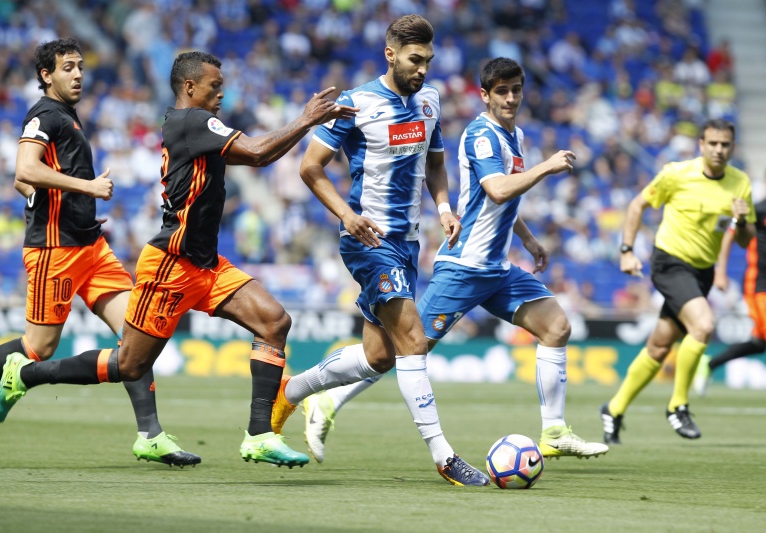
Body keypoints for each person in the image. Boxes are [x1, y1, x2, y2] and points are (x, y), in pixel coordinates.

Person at [0, 50, 357, 468]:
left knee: (274, 322)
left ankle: (260, 435)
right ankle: (26, 374)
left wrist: (304, 125)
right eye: (214, 86)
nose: (222, 93)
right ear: (190, 86)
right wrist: (306, 119)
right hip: (171, 266)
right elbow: (257, 152)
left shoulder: (195, 128)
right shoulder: (192, 122)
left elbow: (262, 156)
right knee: (130, 365)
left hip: (206, 264)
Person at [300, 57, 609, 466]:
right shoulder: (482, 135)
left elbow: (497, 202)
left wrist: (528, 238)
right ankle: (327, 400)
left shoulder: (514, 136)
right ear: (485, 95)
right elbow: (498, 190)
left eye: (516, 90)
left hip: (497, 268)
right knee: (403, 349)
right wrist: (546, 167)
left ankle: (553, 432)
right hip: (464, 267)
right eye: (501, 91)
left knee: (557, 327)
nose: (510, 98)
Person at [0, 38, 199, 467]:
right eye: (67, 67)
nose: (77, 75)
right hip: (55, 250)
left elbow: (25, 183)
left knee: (136, 335)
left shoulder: (68, 117)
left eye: (80, 67)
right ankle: (10, 377)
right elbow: (24, 169)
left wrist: (70, 204)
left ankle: (151, 435)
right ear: (46, 75)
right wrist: (87, 188)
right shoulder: (44, 114)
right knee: (38, 348)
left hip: (91, 246)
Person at [269, 15, 479, 487]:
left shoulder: (430, 100)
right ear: (390, 54)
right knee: (413, 341)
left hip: (408, 243)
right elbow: (310, 167)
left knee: (378, 356)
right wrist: (346, 214)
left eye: (428, 60)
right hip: (368, 241)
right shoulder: (355, 103)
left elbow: (436, 162)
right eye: (414, 59)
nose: (422, 69)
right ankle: (444, 456)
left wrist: (445, 207)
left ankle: (293, 390)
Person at [600, 118, 754, 444]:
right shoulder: (676, 174)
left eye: (725, 144)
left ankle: (613, 409)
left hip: (702, 272)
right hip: (670, 262)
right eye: (713, 143)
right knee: (704, 325)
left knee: (659, 346)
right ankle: (678, 405)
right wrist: (627, 251)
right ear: (701, 144)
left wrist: (741, 222)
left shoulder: (740, 183)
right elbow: (637, 205)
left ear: (732, 147)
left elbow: (745, 239)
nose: (719, 149)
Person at [693, 199, 766, 395]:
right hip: (759, 285)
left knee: (759, 343)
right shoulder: (758, 209)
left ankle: (710, 364)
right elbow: (729, 235)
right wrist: (721, 271)